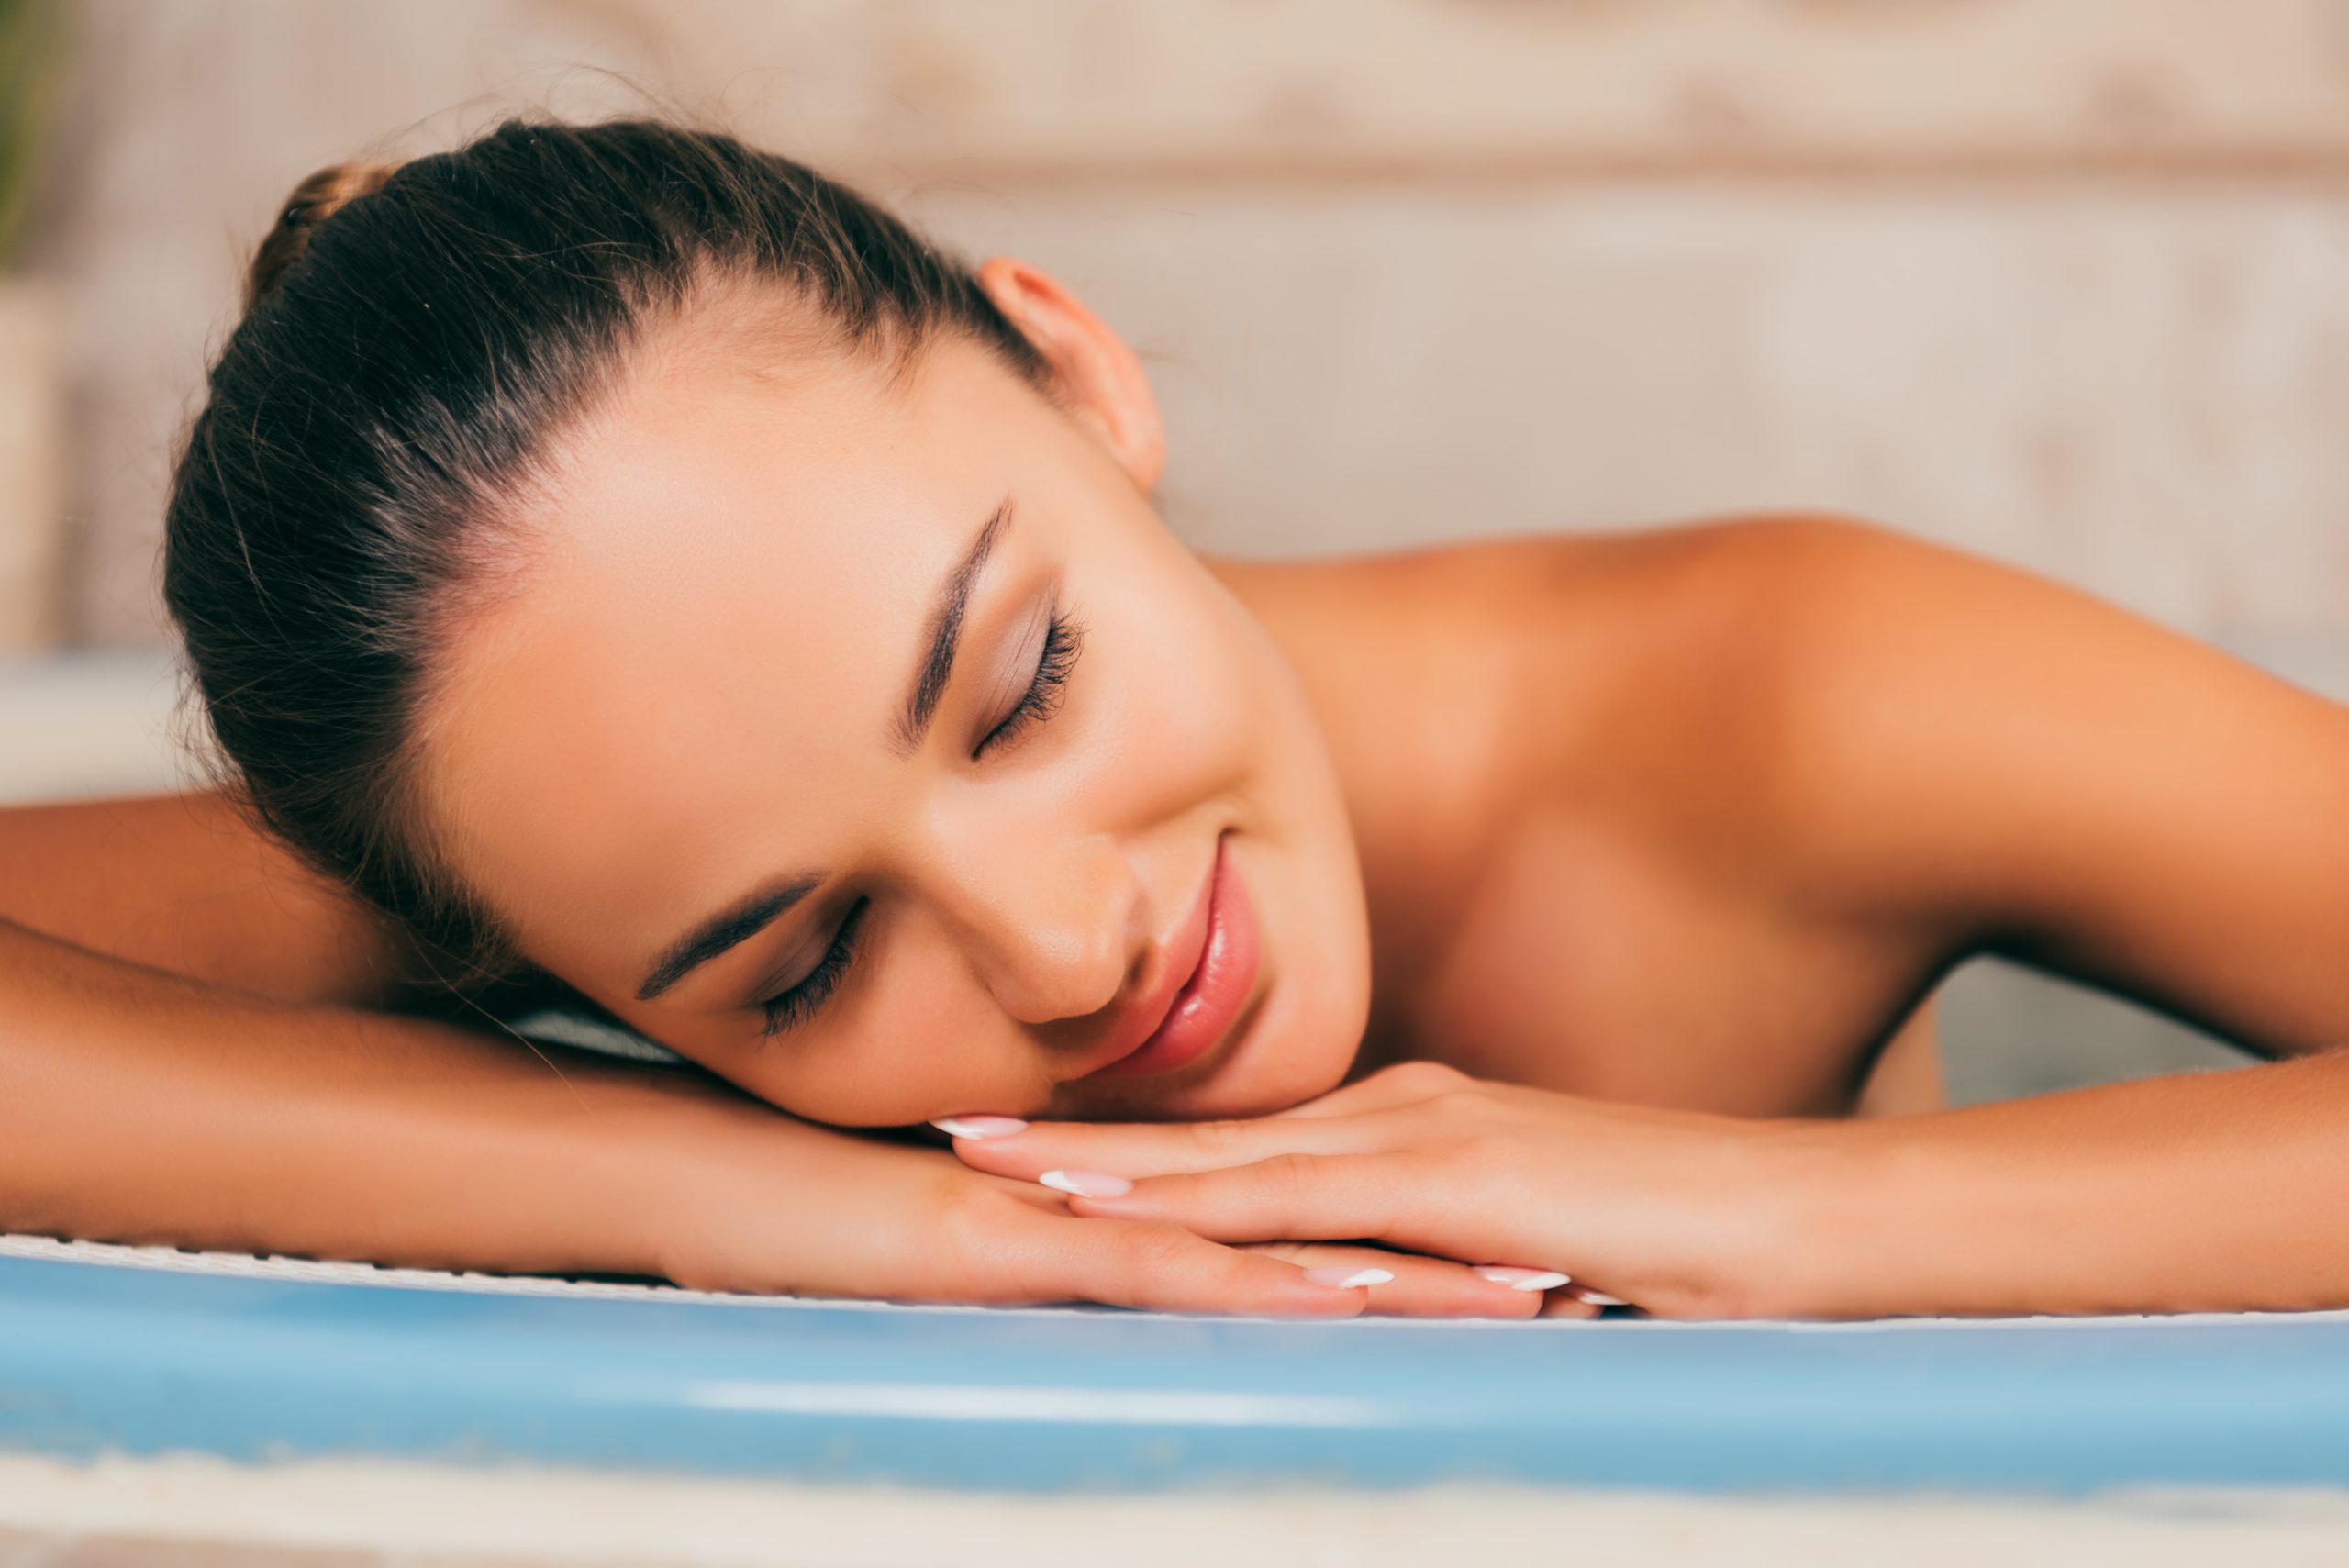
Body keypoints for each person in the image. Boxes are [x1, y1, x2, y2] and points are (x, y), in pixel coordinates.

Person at [4, 117, 2343, 1321]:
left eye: (1019, 681)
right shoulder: (575, 835)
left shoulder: (1782, 699)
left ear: (1077, 373)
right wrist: (755, 1204)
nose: (1056, 954)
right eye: (800, 969)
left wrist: (1750, 1213)